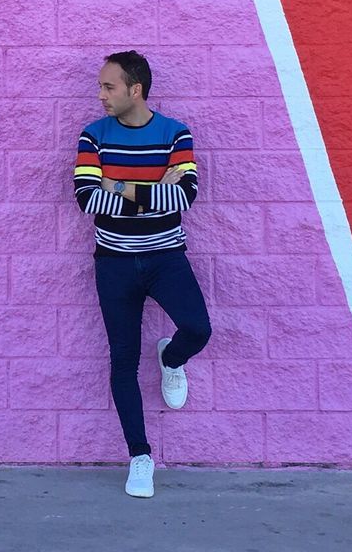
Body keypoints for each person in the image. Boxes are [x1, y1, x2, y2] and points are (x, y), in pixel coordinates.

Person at [73, 50, 212, 498]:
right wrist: (153, 189)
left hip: (165, 257)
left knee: (197, 327)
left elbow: (184, 197)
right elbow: (88, 199)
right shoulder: (93, 136)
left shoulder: (176, 134)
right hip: (113, 264)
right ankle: (140, 457)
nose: (101, 96)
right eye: (100, 87)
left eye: (108, 87)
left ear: (136, 89)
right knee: (123, 361)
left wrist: (117, 185)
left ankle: (171, 358)